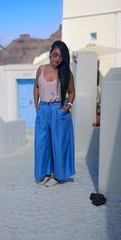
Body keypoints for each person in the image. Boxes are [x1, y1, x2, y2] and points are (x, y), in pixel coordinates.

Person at [33, 40, 75, 187]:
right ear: (50, 53)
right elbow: (37, 87)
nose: (57, 58)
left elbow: (71, 92)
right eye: (55, 54)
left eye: (61, 56)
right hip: (43, 111)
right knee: (42, 144)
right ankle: (45, 173)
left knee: (58, 145)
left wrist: (68, 106)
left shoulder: (66, 73)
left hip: (58, 110)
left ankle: (57, 175)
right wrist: (36, 103)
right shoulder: (41, 69)